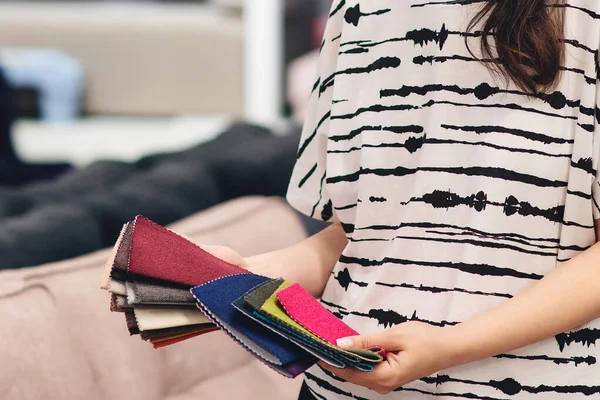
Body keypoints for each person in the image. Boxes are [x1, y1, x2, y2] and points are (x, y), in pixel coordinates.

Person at [206, 0, 600, 398]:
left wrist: (450, 346)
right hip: (339, 389)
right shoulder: (357, 11)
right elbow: (372, 237)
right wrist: (248, 274)